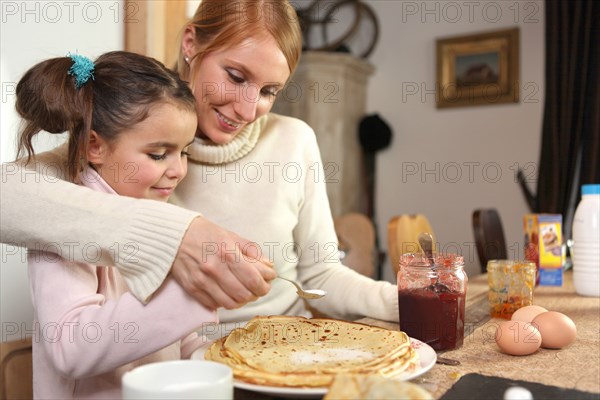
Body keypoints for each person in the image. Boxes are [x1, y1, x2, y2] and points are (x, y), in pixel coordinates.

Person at [1, 0, 398, 330]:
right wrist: (178, 235)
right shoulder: (133, 134)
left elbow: (322, 276)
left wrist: (408, 302)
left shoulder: (295, 140)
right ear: (191, 42)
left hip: (285, 357)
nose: (246, 109)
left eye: (268, 91)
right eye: (236, 75)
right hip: (180, 369)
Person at [16, 51, 221, 399]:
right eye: (159, 154)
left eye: (184, 152)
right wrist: (195, 293)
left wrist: (215, 358)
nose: (178, 170)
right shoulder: (59, 225)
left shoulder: (158, 214)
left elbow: (175, 337)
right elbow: (72, 349)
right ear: (94, 146)